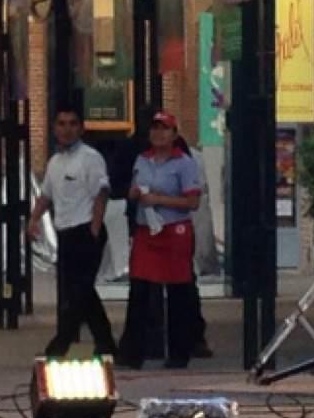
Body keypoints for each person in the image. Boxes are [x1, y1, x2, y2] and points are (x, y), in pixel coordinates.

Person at [118, 108, 208, 367]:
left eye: (164, 128)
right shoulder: (141, 160)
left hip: (174, 231)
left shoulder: (184, 163)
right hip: (147, 231)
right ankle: (134, 352)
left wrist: (159, 199)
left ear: (174, 134)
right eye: (155, 128)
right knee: (140, 291)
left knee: (178, 292)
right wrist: (134, 194)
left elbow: (192, 202)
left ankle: (179, 353)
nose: (158, 133)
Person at [36, 100, 118, 359]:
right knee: (81, 292)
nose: (67, 129)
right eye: (62, 124)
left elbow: (101, 192)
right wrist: (33, 220)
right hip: (66, 234)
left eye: (72, 124)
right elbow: (46, 195)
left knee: (80, 291)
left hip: (86, 232)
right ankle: (105, 342)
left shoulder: (90, 158)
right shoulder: (54, 163)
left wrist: (95, 227)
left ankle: (60, 344)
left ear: (81, 128)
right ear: (54, 128)